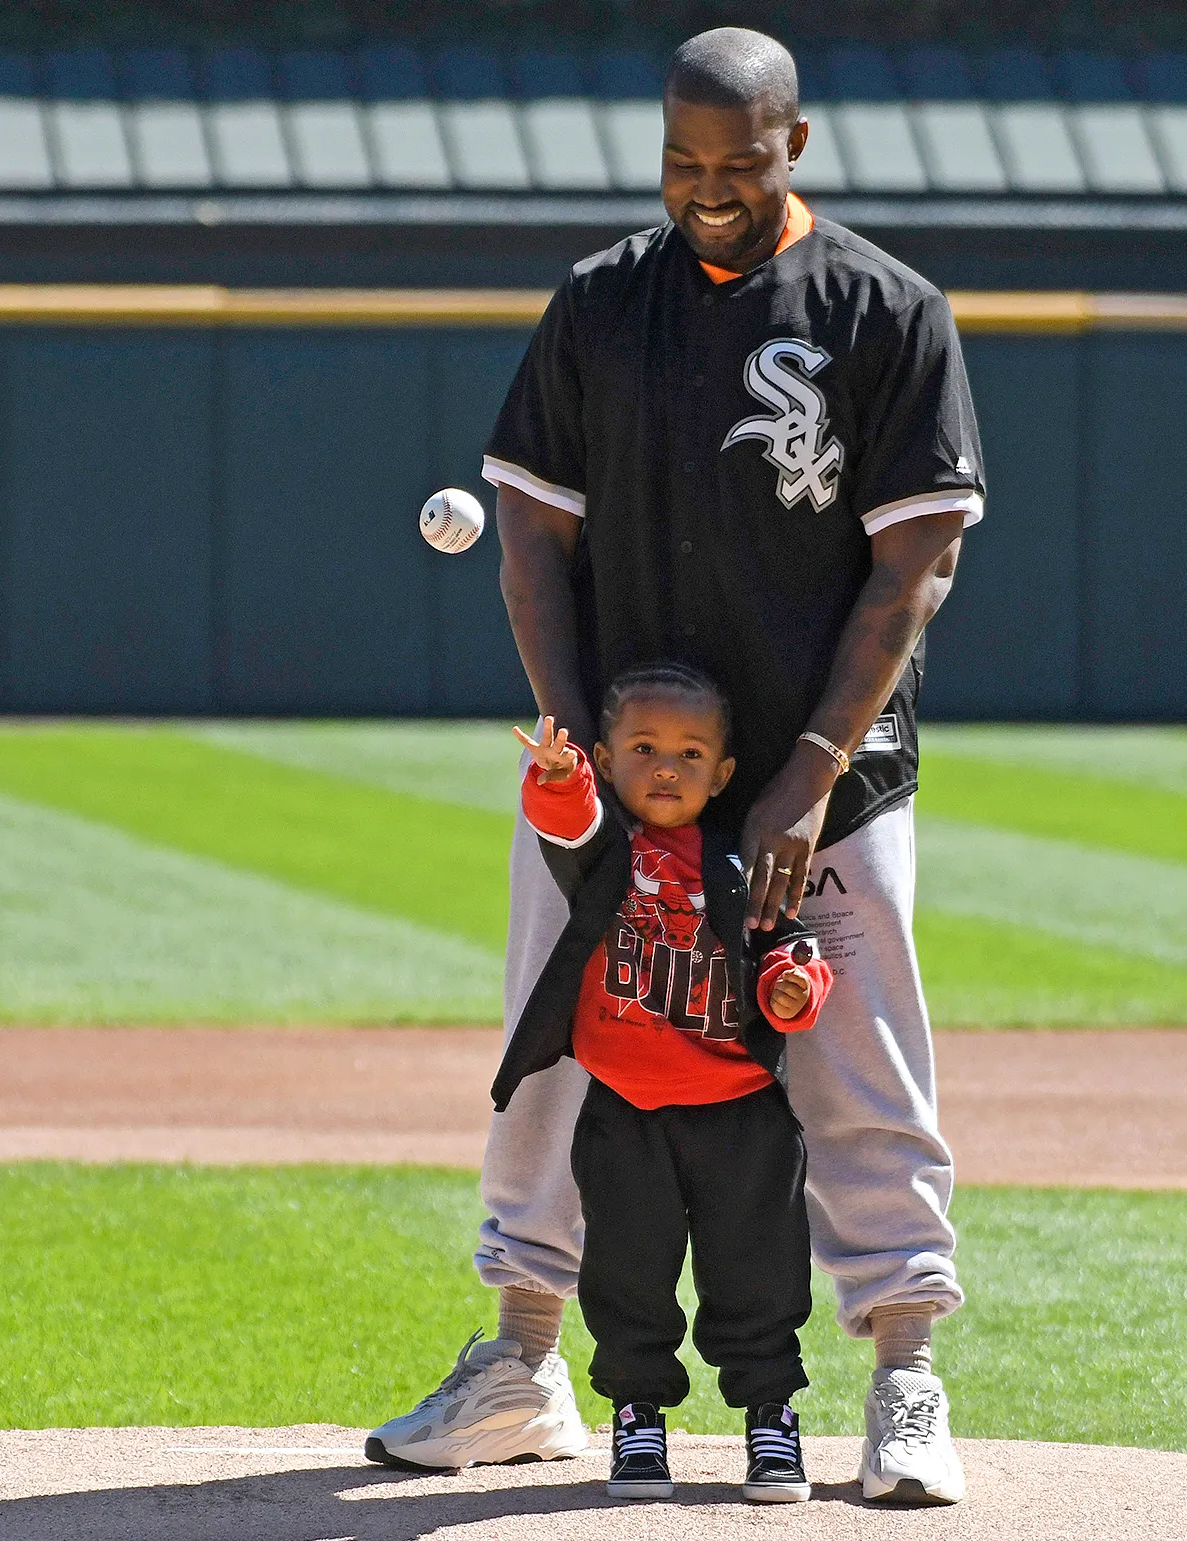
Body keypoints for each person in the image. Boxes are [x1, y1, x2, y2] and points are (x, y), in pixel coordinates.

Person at [366, 24, 984, 1506]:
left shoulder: (887, 310)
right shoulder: (600, 303)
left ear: (797, 149)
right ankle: (523, 1364)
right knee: (555, 1060)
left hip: (826, 778)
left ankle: (905, 1379)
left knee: (858, 1070)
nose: (706, 189)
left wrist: (812, 768)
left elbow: (915, 564)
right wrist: (576, 757)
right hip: (616, 791)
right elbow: (531, 531)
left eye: (738, 162)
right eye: (681, 160)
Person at [498, 667, 834, 1503]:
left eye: (690, 752)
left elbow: (790, 946)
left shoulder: (742, 855)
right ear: (609, 761)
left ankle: (769, 1414)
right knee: (627, 1275)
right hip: (625, 1111)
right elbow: (566, 824)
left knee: (759, 1272)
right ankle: (638, 1416)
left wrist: (790, 988)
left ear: (723, 773)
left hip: (741, 1114)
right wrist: (558, 773)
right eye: (643, 749)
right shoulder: (608, 852)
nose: (665, 767)